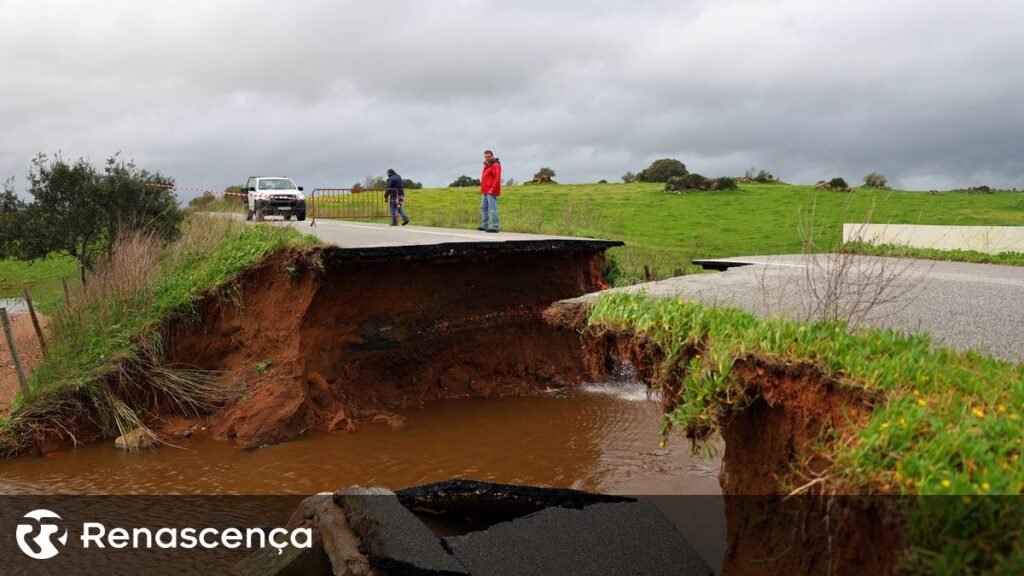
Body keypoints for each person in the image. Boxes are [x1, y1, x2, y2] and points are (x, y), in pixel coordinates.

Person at [478, 150, 501, 232]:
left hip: (491, 190)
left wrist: (492, 189)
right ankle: (484, 225)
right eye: (486, 157)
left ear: (492, 156)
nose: (487, 158)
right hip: (485, 190)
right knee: (483, 207)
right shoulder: (486, 164)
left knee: (492, 209)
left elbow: (497, 179)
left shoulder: (495, 165)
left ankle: (495, 227)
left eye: (489, 156)